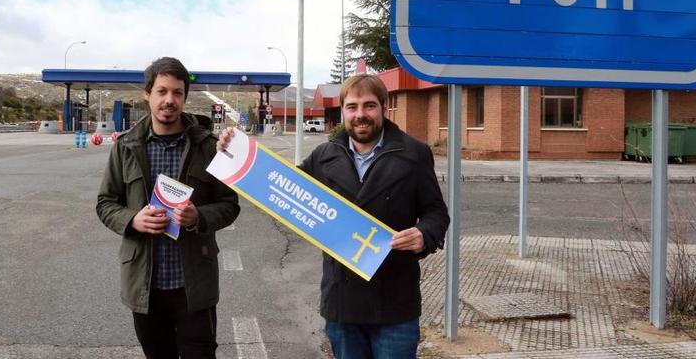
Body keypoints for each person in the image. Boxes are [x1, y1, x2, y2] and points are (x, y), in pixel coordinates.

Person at [218, 74, 450, 359]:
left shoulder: (413, 154)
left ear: (384, 107)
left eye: (369, 106)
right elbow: (278, 186)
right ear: (342, 111)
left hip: (395, 303)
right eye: (352, 107)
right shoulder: (324, 155)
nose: (360, 115)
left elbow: (436, 212)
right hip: (342, 304)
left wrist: (424, 235)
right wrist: (235, 152)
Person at [97, 57, 240, 359]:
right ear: (147, 94)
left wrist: (198, 216)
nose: (169, 100)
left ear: (185, 97)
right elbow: (105, 203)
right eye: (161, 91)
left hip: (194, 287)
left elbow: (229, 205)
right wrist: (132, 219)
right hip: (145, 287)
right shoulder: (125, 147)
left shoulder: (207, 146)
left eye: (177, 92)